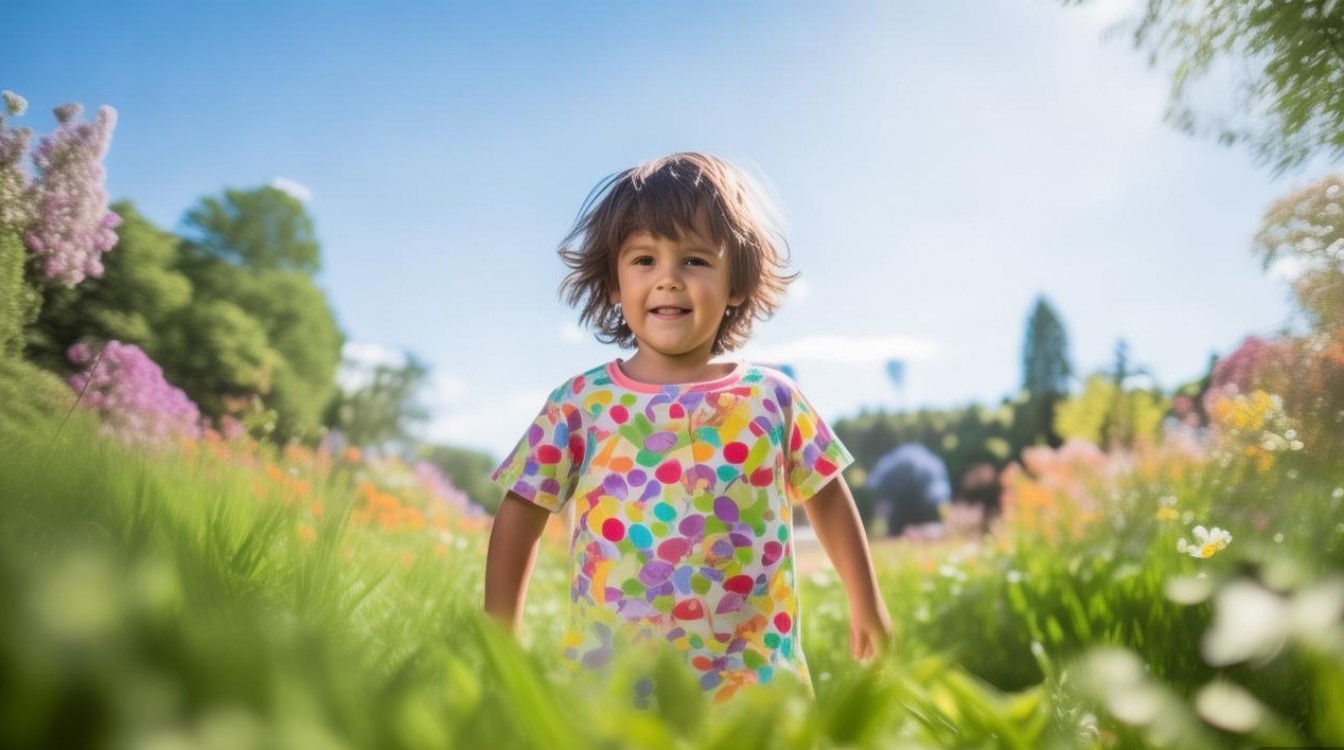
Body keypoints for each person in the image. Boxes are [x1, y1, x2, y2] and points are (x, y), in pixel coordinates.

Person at [484, 152, 892, 702]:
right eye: (645, 260)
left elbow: (826, 495)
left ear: (737, 284)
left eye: (695, 261)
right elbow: (521, 511)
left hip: (754, 682)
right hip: (615, 686)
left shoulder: (772, 399)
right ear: (613, 282)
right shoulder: (579, 404)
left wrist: (866, 600)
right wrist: (499, 636)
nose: (668, 280)